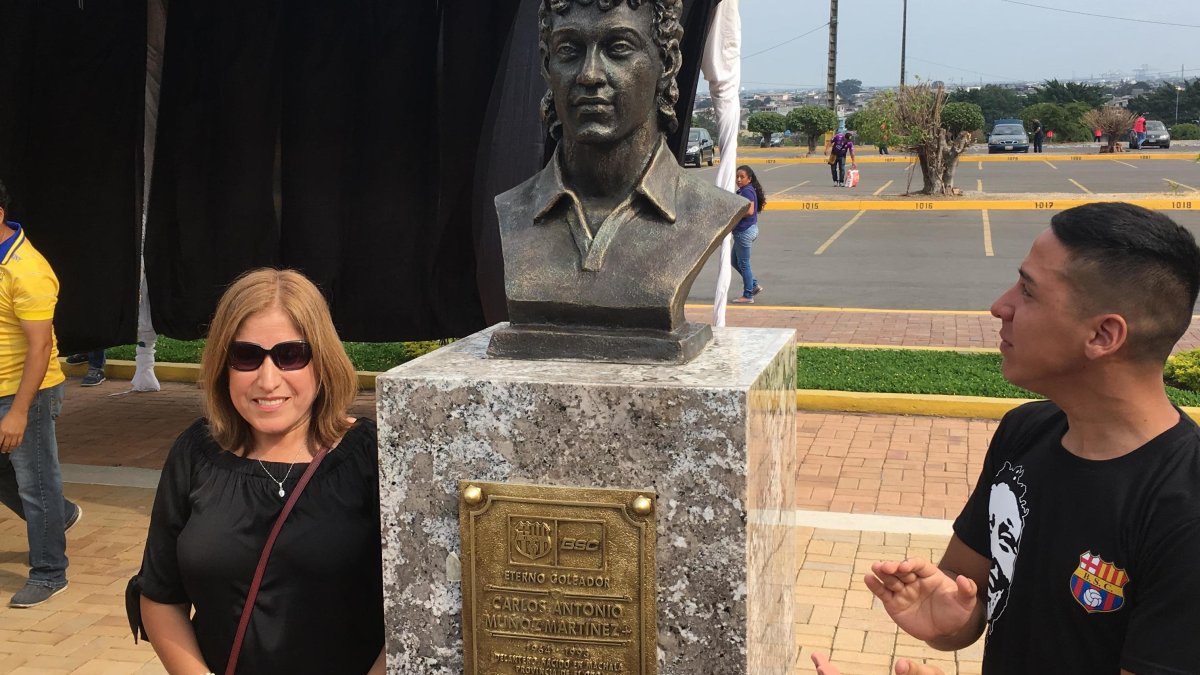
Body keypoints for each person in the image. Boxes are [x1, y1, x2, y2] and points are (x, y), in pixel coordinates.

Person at [812, 202, 1200, 674]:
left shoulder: (1183, 509)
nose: (1001, 306)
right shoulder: (1025, 432)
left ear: (1103, 335)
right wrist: (948, 622)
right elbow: (965, 589)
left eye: (1029, 292)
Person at [133, 269, 384, 674]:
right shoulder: (196, 453)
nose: (268, 380)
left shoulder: (370, 458)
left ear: (323, 360)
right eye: (246, 356)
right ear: (223, 363)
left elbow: (416, 603)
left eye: (291, 354)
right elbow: (161, 593)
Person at [491, 0, 748, 363]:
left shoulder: (709, 211)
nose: (590, 75)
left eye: (618, 48)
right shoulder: (513, 210)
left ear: (668, 64)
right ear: (548, 66)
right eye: (569, 50)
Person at [0, 180, 81, 609]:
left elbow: (41, 346)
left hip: (26, 393)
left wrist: (18, 412)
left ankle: (50, 573)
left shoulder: (27, 270)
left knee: (37, 484)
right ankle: (61, 516)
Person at [730, 165, 765, 305]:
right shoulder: (744, 190)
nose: (738, 179)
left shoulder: (747, 192)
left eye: (742, 177)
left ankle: (748, 294)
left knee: (744, 264)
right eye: (737, 177)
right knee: (734, 261)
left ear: (749, 179)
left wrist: (733, 214)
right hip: (745, 230)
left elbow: (750, 211)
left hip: (744, 232)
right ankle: (754, 285)